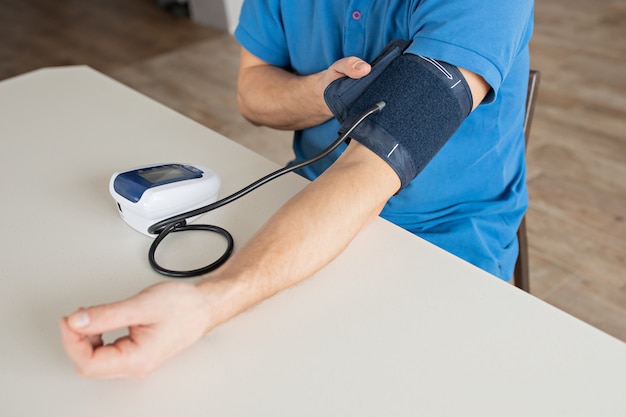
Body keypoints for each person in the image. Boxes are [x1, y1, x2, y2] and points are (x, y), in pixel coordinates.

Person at [60, 0, 534, 378]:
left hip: (447, 235)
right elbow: (253, 92)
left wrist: (209, 303)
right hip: (306, 196)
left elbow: (370, 168)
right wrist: (326, 92)